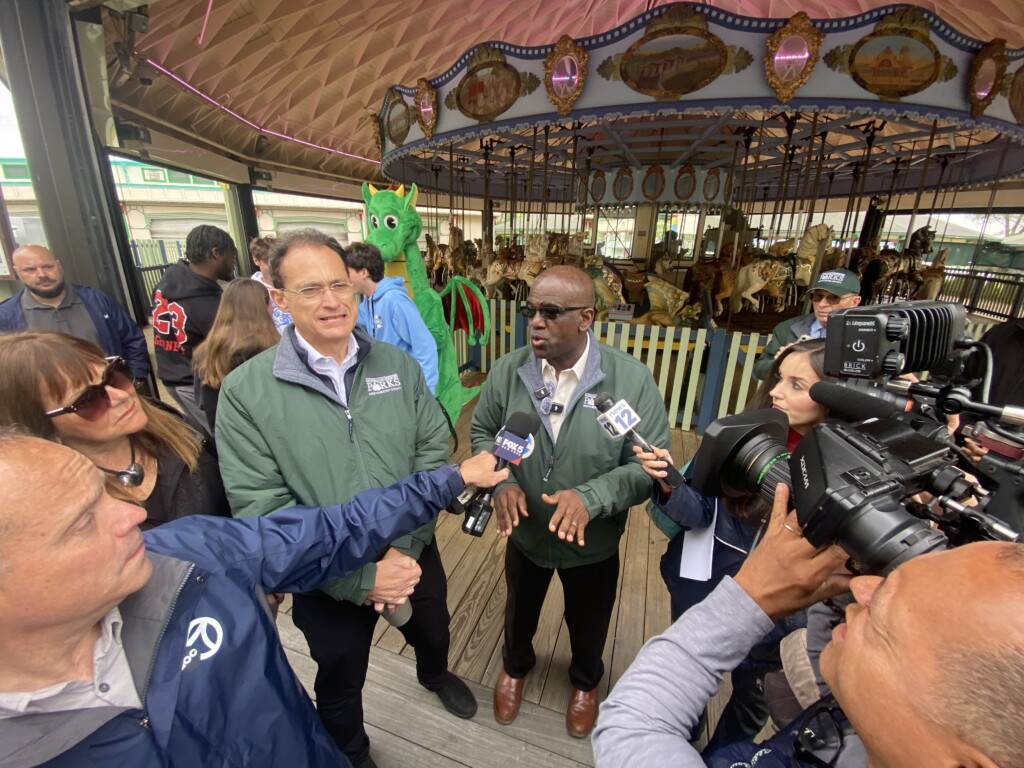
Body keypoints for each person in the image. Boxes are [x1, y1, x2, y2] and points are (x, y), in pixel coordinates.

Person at [0, 431, 507, 768]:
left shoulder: (187, 553)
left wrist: (449, 479)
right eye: (83, 519)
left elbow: (331, 531)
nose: (131, 515)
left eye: (110, 491)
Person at [215, 228, 473, 768]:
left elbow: (432, 448)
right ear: (279, 299)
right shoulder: (246, 392)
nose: (332, 301)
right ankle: (352, 752)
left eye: (339, 284)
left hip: (411, 544)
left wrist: (403, 547)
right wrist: (359, 579)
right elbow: (264, 509)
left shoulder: (395, 367)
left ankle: (434, 674)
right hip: (323, 571)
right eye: (310, 289)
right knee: (339, 672)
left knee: (433, 628)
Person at [593, 484, 1024, 768]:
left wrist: (752, 597)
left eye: (887, 613)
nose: (866, 588)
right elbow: (831, 663)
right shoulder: (882, 727)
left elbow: (635, 725)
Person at [470, 265, 670, 739]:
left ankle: (585, 682)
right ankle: (515, 667)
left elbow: (650, 464)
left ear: (586, 318)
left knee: (590, 616)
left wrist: (591, 497)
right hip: (525, 529)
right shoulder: (507, 370)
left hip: (593, 536)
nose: (535, 322)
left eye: (551, 312)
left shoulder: (630, 380)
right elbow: (483, 432)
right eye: (531, 310)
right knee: (520, 607)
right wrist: (502, 483)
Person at [636, 338, 831, 748]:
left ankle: (724, 756)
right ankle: (680, 744)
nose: (776, 390)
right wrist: (669, 481)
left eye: (797, 384)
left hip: (781, 610)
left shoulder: (846, 469)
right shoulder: (740, 435)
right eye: (780, 378)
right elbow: (697, 514)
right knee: (688, 680)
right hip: (705, 590)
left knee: (751, 698)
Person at [0, 331, 228, 528]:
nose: (121, 396)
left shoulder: (173, 424)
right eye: (88, 399)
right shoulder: (55, 511)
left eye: (114, 374)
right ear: (41, 426)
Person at [0, 244, 150, 382]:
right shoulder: (6, 316)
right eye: (30, 270)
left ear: (59, 266)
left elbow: (133, 340)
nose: (42, 274)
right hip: (55, 405)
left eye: (47, 266)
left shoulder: (96, 300)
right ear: (17, 272)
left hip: (109, 391)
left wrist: (134, 380)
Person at [151, 224, 236, 432]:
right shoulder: (206, 304)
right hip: (193, 382)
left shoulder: (167, 283)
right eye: (231, 256)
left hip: (172, 374)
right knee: (224, 436)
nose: (233, 263)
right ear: (216, 254)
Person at [346, 241, 439, 393]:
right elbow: (349, 327)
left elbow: (426, 347)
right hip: (389, 386)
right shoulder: (366, 304)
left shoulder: (395, 301)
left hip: (409, 386)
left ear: (363, 272)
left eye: (347, 272)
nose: (345, 279)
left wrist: (427, 394)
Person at [191, 278, 280, 430]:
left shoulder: (206, 351)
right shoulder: (269, 351)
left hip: (225, 432)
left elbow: (202, 401)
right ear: (264, 306)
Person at [753, 269, 861, 381]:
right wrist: (781, 363)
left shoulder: (866, 334)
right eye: (818, 296)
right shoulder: (788, 328)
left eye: (834, 298)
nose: (822, 304)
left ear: (855, 302)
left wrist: (803, 362)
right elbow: (760, 369)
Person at [249, 234, 292, 332]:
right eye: (269, 264)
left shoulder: (292, 283)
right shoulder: (251, 292)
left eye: (278, 263)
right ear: (256, 260)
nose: (275, 269)